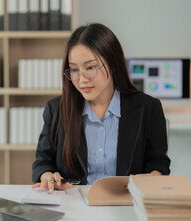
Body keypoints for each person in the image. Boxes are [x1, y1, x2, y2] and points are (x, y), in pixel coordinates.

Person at [32, 23, 170, 192]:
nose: (82, 79)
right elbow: (43, 161)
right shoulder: (56, 110)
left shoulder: (148, 108)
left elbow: (158, 161)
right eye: (74, 70)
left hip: (127, 205)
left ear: (112, 65)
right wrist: (47, 175)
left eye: (90, 67)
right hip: (74, 205)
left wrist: (153, 176)